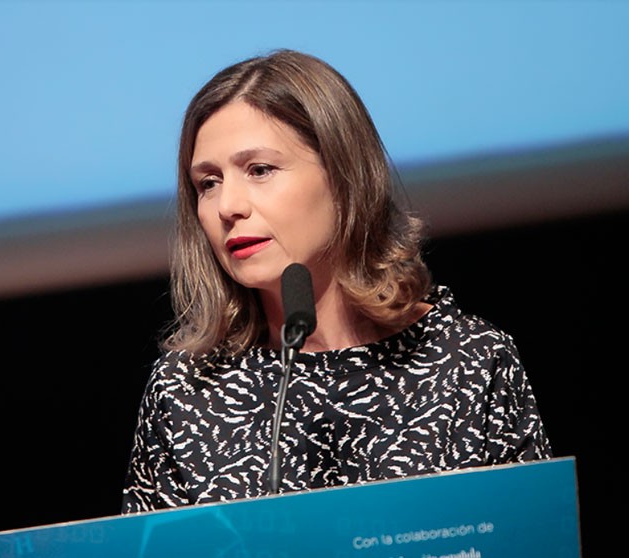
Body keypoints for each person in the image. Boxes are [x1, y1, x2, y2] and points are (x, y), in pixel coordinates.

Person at [121, 49, 552, 514]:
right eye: (208, 183)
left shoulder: (467, 362)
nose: (228, 206)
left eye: (259, 170)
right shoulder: (187, 390)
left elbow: (529, 534)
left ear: (345, 177)